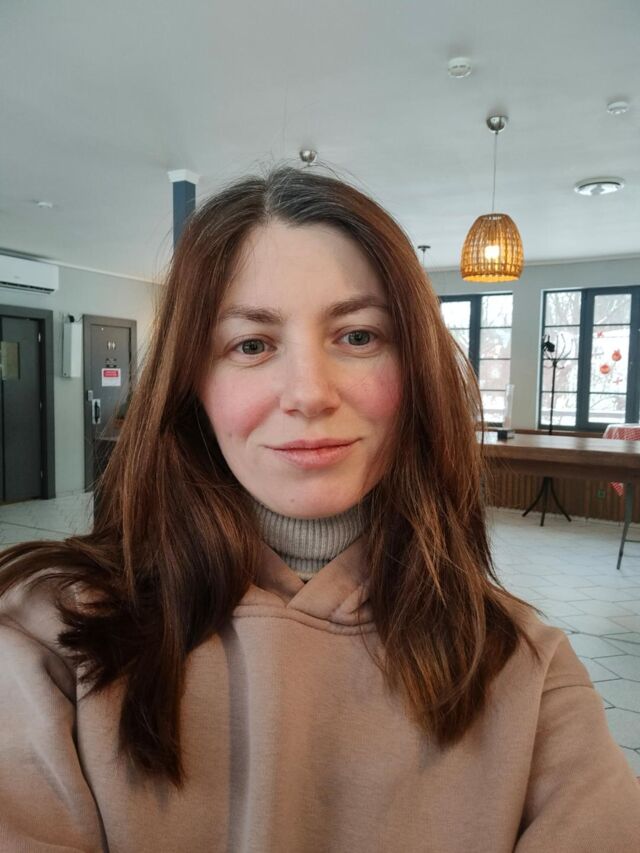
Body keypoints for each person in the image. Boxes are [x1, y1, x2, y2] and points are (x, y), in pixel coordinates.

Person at [0, 165, 638, 853]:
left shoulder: (528, 673)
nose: (309, 393)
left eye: (358, 336)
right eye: (252, 345)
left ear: (416, 370)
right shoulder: (48, 639)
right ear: (192, 387)